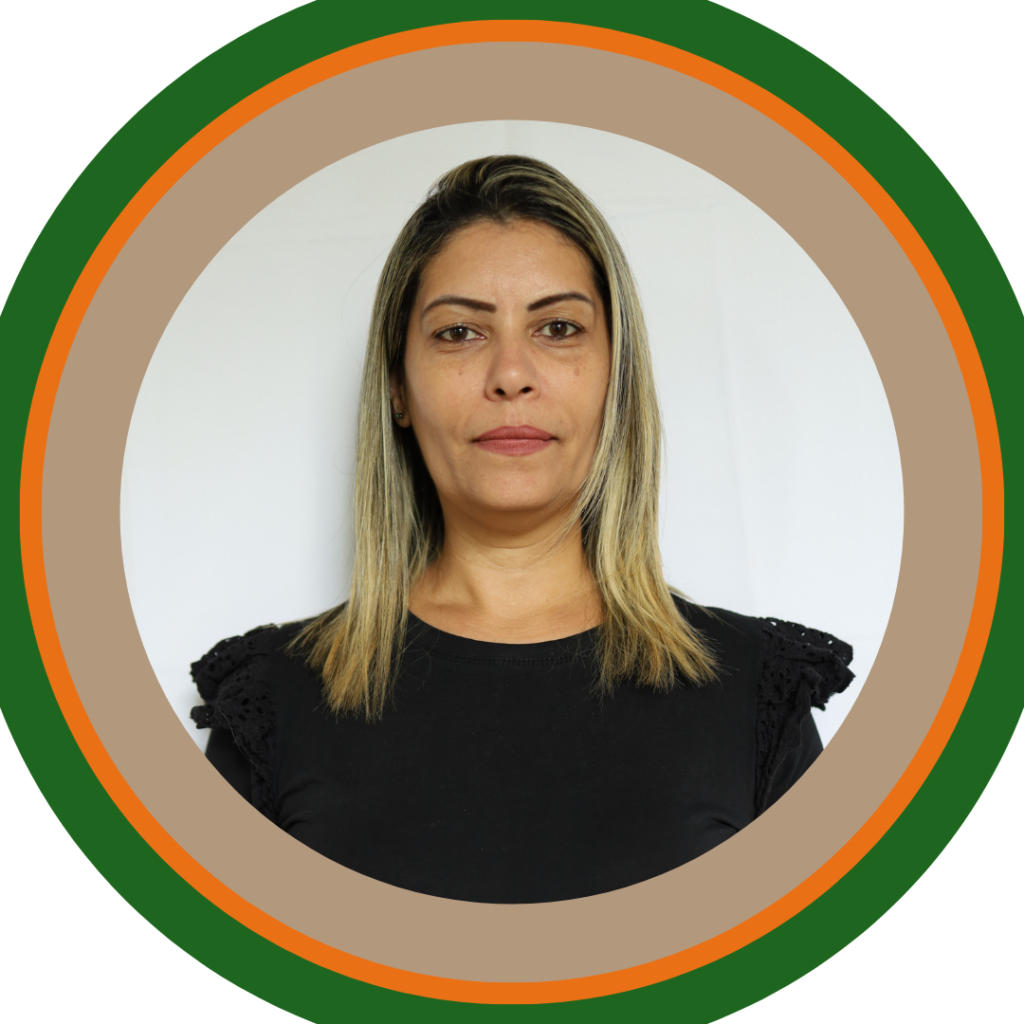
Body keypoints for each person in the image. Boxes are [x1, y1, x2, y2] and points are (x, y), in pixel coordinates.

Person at [191, 155, 853, 903]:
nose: (511, 374)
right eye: (459, 332)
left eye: (559, 328)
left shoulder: (754, 694)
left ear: (615, 377)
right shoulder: (272, 701)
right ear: (398, 387)